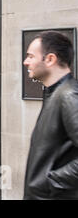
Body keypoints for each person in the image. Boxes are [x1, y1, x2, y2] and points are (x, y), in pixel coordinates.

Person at [23, 31, 78, 199]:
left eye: (31, 56)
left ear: (50, 59)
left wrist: (50, 182)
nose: (25, 62)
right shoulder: (54, 94)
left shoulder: (69, 96)